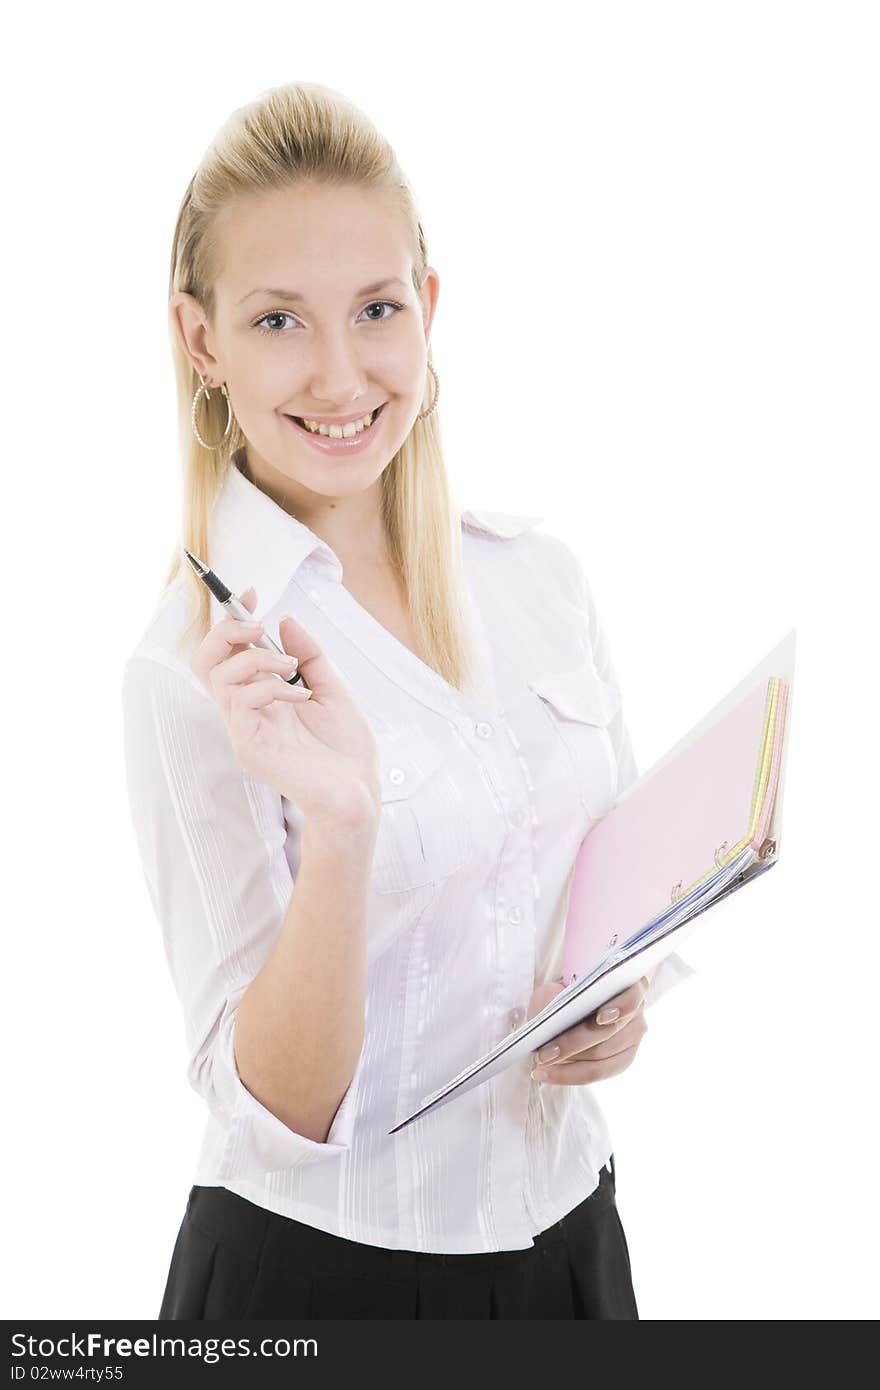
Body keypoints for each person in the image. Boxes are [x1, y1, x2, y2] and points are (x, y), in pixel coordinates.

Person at [121, 80, 694, 1321]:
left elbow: (604, 901)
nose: (339, 374)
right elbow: (279, 1115)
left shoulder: (536, 578)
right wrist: (340, 827)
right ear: (201, 340)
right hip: (322, 1284)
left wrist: (616, 1008)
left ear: (427, 312)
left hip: (574, 1245)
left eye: (375, 309)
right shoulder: (191, 672)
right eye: (278, 320)